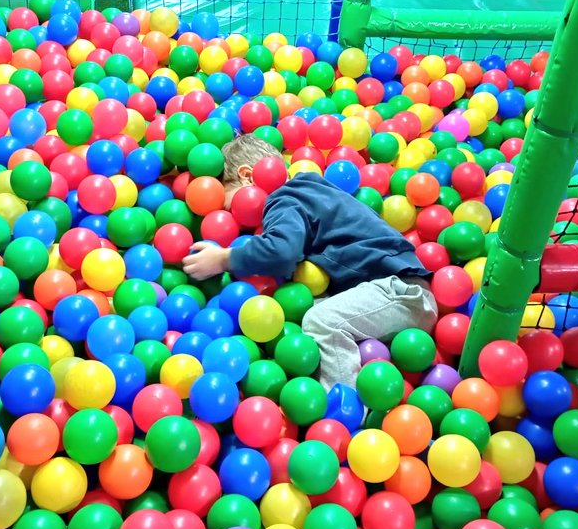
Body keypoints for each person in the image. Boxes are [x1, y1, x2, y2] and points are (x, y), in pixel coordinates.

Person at [183, 134, 436, 391]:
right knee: (310, 308)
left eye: (229, 206)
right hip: (392, 296)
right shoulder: (312, 191)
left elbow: (281, 251)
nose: (236, 221)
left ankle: (343, 414)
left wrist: (224, 259)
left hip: (402, 293)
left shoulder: (285, 197)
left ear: (248, 176)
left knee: (320, 322)